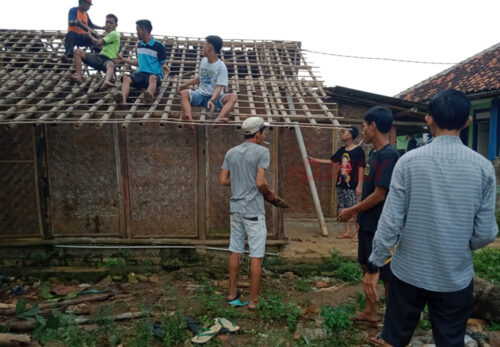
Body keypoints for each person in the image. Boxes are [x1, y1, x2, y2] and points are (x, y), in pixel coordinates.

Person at [364, 89, 498, 347]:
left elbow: (390, 222)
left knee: (394, 338)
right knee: (450, 340)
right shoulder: (483, 168)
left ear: (429, 120)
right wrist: (458, 245)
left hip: (408, 274)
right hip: (454, 277)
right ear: (467, 122)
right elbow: (485, 233)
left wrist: (375, 265)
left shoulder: (408, 162)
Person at [337, 107, 399, 330]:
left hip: (381, 225)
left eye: (364, 124)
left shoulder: (390, 155)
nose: (362, 128)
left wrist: (352, 210)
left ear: (373, 125)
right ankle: (370, 312)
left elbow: (381, 194)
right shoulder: (373, 154)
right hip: (367, 222)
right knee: (366, 268)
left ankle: (393, 319)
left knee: (386, 275)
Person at [220, 116, 274, 310]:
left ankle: (232, 292)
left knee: (235, 250)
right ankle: (253, 300)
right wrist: (269, 194)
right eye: (264, 131)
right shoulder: (262, 151)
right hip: (253, 210)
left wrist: (241, 182)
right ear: (257, 133)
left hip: (235, 208)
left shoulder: (231, 152)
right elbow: (260, 183)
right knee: (256, 255)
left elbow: (224, 180)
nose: (265, 134)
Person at [309, 127, 365, 241]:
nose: (343, 134)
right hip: (341, 184)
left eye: (345, 132)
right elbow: (332, 161)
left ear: (350, 135)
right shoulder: (342, 150)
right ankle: (348, 231)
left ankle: (359, 233)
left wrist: (359, 185)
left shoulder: (359, 150)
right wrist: (315, 160)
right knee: (343, 209)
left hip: (352, 185)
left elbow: (361, 168)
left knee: (354, 209)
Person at [178, 35, 237, 128]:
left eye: (205, 45)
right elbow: (200, 78)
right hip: (200, 94)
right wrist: (185, 84)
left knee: (232, 98)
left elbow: (218, 87)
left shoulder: (221, 67)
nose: (203, 48)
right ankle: (189, 120)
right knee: (184, 94)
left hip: (215, 97)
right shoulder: (204, 61)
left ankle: (218, 119)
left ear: (210, 48)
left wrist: (212, 100)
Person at [114, 20, 168, 104]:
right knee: (126, 78)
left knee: (153, 78)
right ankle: (123, 99)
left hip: (153, 75)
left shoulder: (159, 46)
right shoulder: (140, 45)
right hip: (140, 74)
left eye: (137, 30)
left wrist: (164, 66)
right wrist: (124, 60)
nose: (137, 33)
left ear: (144, 30)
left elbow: (163, 62)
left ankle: (149, 96)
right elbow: (140, 62)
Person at [69, 14, 120, 87]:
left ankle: (107, 80)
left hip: (107, 60)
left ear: (116, 25)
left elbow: (98, 43)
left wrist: (90, 36)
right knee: (77, 52)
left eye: (111, 23)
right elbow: (97, 44)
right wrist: (92, 37)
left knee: (110, 64)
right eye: (107, 22)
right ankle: (79, 75)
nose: (108, 24)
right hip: (99, 57)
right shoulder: (108, 35)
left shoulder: (114, 33)